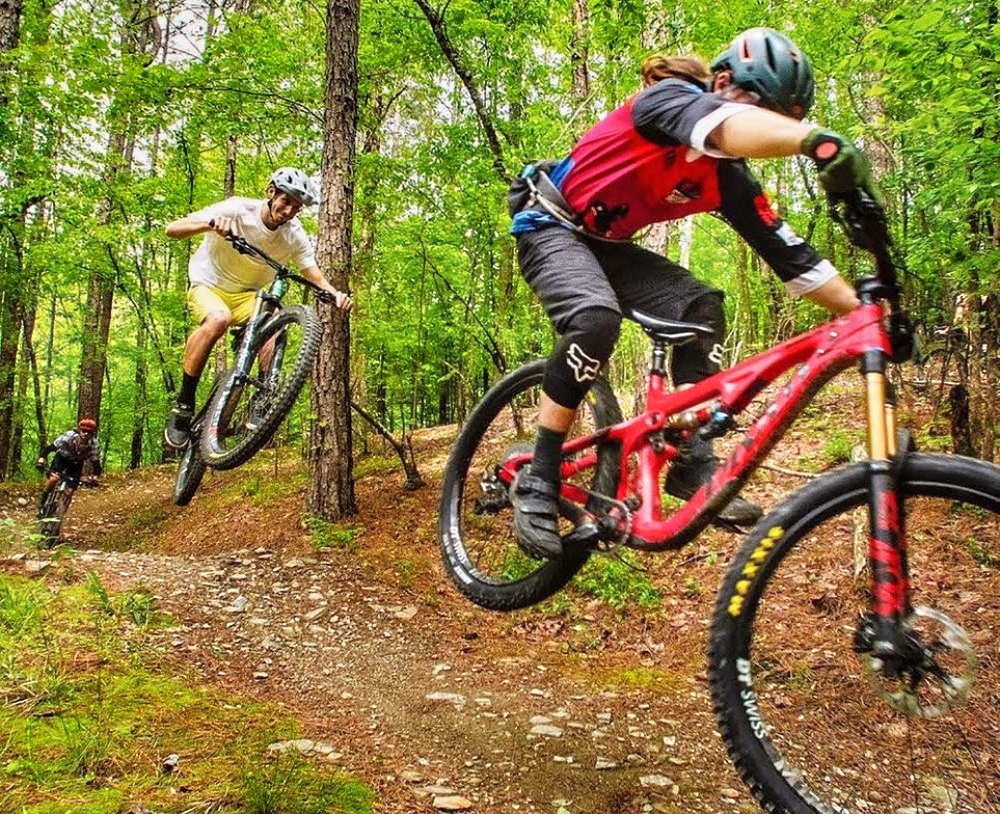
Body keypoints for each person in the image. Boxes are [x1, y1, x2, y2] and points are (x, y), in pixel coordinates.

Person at [507, 27, 882, 559]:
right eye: (762, 109)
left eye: (780, 119)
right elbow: (721, 126)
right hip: (550, 224)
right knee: (595, 318)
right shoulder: (667, 101)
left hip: (606, 245)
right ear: (723, 82)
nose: (766, 129)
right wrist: (814, 140)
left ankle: (689, 460)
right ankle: (539, 479)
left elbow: (794, 260)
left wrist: (870, 314)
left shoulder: (726, 176)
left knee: (702, 307)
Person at [163, 167, 353, 448]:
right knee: (218, 319)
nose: (289, 211)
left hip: (248, 298)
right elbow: (172, 229)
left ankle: (262, 400)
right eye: (286, 201)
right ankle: (183, 405)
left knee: (275, 323)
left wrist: (335, 295)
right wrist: (211, 223)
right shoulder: (238, 209)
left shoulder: (295, 236)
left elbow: (313, 273)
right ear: (271, 192)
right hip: (208, 285)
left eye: (296, 207)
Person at [37, 418, 102, 515]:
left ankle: (59, 518)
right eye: (84, 431)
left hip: (76, 464)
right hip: (61, 459)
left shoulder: (94, 444)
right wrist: (41, 459)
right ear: (79, 430)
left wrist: (95, 477)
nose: (86, 434)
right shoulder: (68, 437)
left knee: (70, 491)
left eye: (89, 432)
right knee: (54, 479)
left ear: (92, 433)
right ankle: (43, 500)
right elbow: (50, 448)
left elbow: (96, 463)